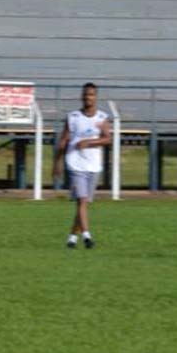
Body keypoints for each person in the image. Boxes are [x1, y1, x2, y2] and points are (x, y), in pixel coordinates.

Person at [53, 82, 112, 249]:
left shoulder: (101, 118)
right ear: (81, 96)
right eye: (86, 94)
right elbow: (63, 141)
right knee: (82, 200)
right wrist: (57, 163)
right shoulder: (73, 117)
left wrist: (90, 142)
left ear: (96, 97)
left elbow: (108, 139)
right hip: (75, 163)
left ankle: (72, 237)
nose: (88, 97)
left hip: (93, 165)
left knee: (83, 204)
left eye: (92, 94)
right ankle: (87, 236)